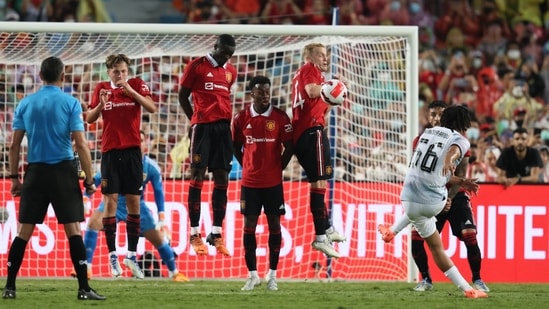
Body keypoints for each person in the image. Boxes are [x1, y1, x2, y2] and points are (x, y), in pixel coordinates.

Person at [3, 56, 105, 300]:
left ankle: (9, 288)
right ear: (63, 76)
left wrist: (14, 178)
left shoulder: (25, 103)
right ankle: (83, 288)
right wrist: (89, 180)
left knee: (23, 232)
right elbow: (80, 143)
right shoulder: (70, 102)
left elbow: (14, 145)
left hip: (35, 173)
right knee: (73, 231)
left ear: (40, 76)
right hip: (62, 172)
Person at [377, 105, 488, 299]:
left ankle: (392, 231)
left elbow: (430, 171)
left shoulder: (426, 134)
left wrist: (462, 181)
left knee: (426, 232)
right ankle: (468, 288)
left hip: (408, 198)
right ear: (462, 124)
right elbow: (453, 151)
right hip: (434, 201)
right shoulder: (461, 140)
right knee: (438, 245)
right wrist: (449, 160)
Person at [72, 131, 189, 282]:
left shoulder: (151, 167)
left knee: (158, 238)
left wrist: (161, 216)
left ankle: (174, 273)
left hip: (137, 205)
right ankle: (86, 268)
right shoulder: (117, 161)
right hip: (114, 202)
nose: (138, 143)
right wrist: (86, 198)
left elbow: (159, 191)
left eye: (141, 140)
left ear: (145, 145)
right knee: (93, 223)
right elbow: (97, 180)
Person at [86, 53, 157, 279]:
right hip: (110, 152)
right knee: (110, 202)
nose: (120, 75)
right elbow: (89, 118)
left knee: (134, 201)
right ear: (109, 71)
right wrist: (101, 105)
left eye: (124, 70)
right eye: (116, 71)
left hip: (133, 153)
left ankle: (132, 256)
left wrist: (133, 93)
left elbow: (152, 108)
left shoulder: (136, 85)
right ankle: (113, 256)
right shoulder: (101, 89)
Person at [410, 101, 489, 293]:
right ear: (428, 117)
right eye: (433, 115)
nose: (436, 118)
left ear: (446, 117)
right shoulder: (421, 140)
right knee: (416, 237)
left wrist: (448, 198)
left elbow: (461, 174)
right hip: (430, 196)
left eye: (440, 115)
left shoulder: (460, 142)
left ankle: (477, 279)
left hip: (456, 195)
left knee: (469, 234)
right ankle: (426, 280)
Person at [232, 76, 294, 291]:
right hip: (250, 183)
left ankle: (273, 275)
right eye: (260, 92)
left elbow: (290, 146)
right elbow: (235, 145)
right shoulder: (240, 118)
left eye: (267, 91)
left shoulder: (280, 117)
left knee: (275, 226)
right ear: (252, 94)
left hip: (273, 183)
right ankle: (252, 275)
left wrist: (279, 167)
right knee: (249, 226)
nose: (265, 95)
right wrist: (246, 164)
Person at [178, 34, 237, 256]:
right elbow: (183, 96)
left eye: (229, 55)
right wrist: (194, 119)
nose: (226, 58)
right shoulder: (196, 66)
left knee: (222, 178)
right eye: (223, 53)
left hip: (223, 130)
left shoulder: (231, 72)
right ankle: (194, 233)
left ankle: (216, 232)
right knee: (197, 176)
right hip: (202, 128)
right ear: (215, 47)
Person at [290, 42, 346, 258]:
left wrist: (334, 95)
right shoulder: (309, 70)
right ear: (309, 56)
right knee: (319, 183)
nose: (325, 58)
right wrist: (326, 88)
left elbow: (319, 102)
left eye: (326, 55)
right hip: (311, 131)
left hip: (307, 132)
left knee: (319, 182)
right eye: (321, 55)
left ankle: (327, 228)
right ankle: (321, 236)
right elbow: (311, 90)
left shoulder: (309, 75)